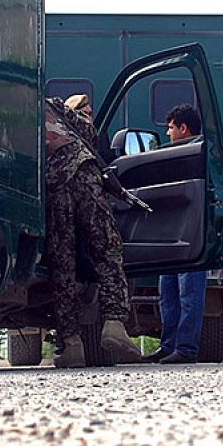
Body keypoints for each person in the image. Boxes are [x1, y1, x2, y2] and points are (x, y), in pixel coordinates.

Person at [42, 97, 145, 368]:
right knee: (106, 246)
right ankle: (113, 324)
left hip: (51, 185)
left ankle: (72, 344)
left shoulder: (13, 107)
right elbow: (90, 135)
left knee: (62, 263)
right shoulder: (52, 105)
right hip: (84, 173)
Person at [153, 103, 208, 364]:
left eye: (171, 128)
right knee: (169, 293)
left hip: (191, 236)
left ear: (183, 128)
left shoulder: (197, 154)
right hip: (172, 236)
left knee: (189, 294)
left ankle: (185, 349)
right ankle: (169, 346)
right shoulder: (176, 154)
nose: (168, 133)